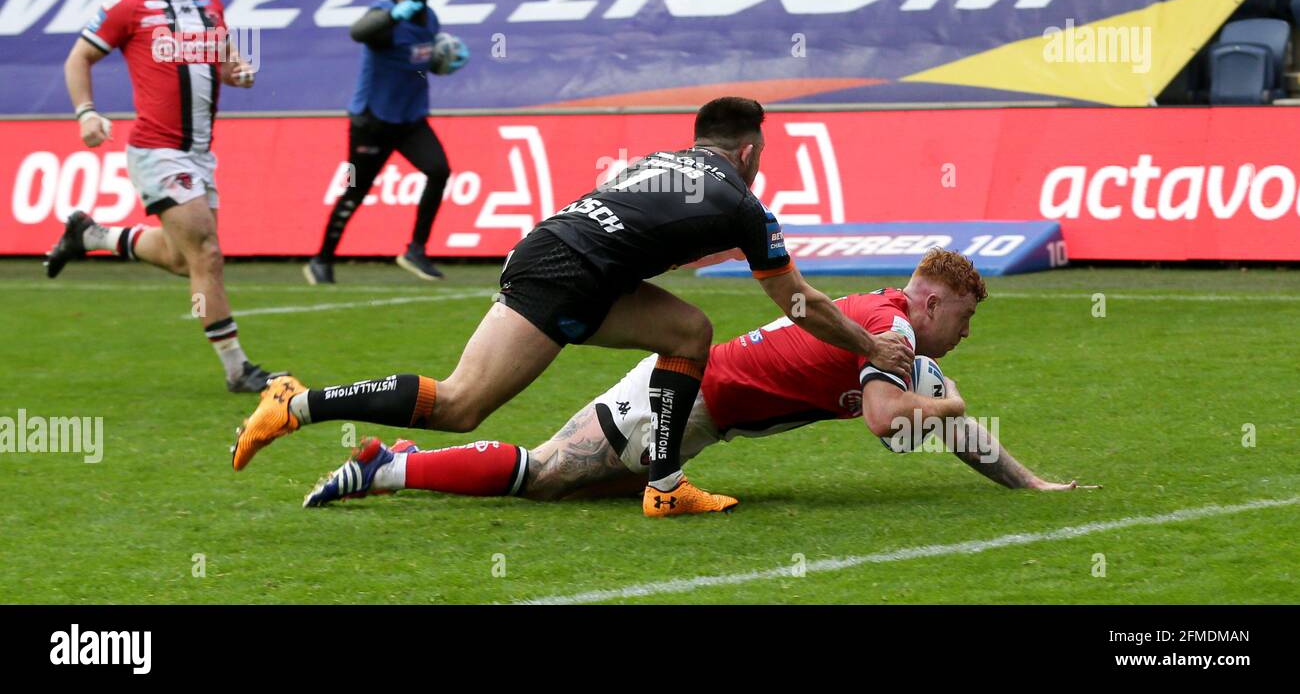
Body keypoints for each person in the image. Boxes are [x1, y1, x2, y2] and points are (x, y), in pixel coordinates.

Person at [233, 96, 915, 517]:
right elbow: (800, 304)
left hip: (558, 252)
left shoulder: (665, 161)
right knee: (462, 404)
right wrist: (870, 348)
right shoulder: (743, 202)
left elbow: (641, 229)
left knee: (688, 330)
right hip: (568, 272)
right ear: (749, 150)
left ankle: (666, 482)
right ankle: (296, 403)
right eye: (761, 153)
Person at [301, 249, 1096, 508]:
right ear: (928, 300)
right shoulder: (890, 329)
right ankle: (390, 465)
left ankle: (395, 459)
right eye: (963, 314)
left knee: (579, 490)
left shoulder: (892, 330)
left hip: (697, 411)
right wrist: (949, 400)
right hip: (680, 400)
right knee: (544, 475)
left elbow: (941, 427)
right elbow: (892, 421)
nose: (966, 329)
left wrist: (1029, 485)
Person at [43, 0, 276, 393]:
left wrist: (239, 72)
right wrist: (86, 112)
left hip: (200, 154)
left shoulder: (210, 5)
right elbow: (78, 57)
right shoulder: (130, 5)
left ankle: (92, 235)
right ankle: (238, 369)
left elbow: (224, 64)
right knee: (207, 254)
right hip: (157, 150)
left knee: (181, 258)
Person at [302, 0, 468, 285]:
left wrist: (442, 62)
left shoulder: (429, 18)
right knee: (356, 191)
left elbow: (417, 59)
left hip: (410, 119)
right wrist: (393, 14)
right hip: (374, 119)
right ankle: (321, 260)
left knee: (438, 171)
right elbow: (358, 32)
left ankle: (415, 250)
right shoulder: (384, 17)